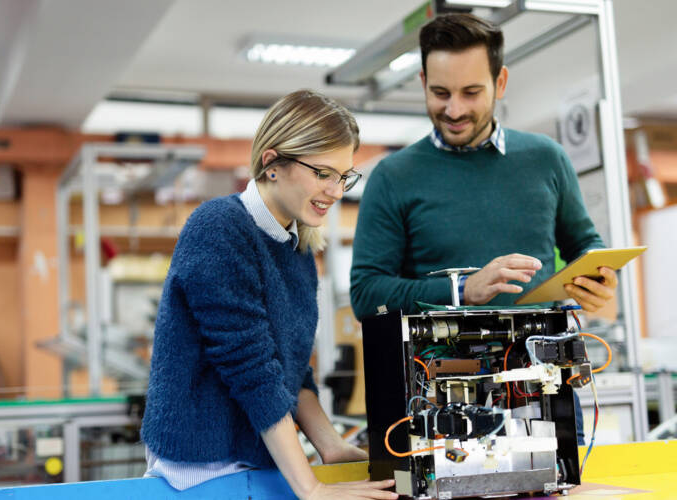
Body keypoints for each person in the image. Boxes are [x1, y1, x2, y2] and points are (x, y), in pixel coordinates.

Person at [142, 90, 397, 500]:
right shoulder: (220, 227)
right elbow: (254, 371)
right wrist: (310, 488)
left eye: (344, 176)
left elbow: (291, 370)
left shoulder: (298, 248)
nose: (335, 190)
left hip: (259, 465)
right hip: (200, 469)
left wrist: (331, 446)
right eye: (322, 173)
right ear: (272, 163)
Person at [350, 13, 618, 320]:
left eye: (471, 92)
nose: (454, 109)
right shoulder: (392, 177)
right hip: (438, 363)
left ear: (500, 82)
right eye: (440, 93)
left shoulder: (547, 158)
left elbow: (585, 245)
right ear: (423, 82)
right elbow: (366, 295)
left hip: (542, 362)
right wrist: (461, 290)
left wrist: (599, 278)